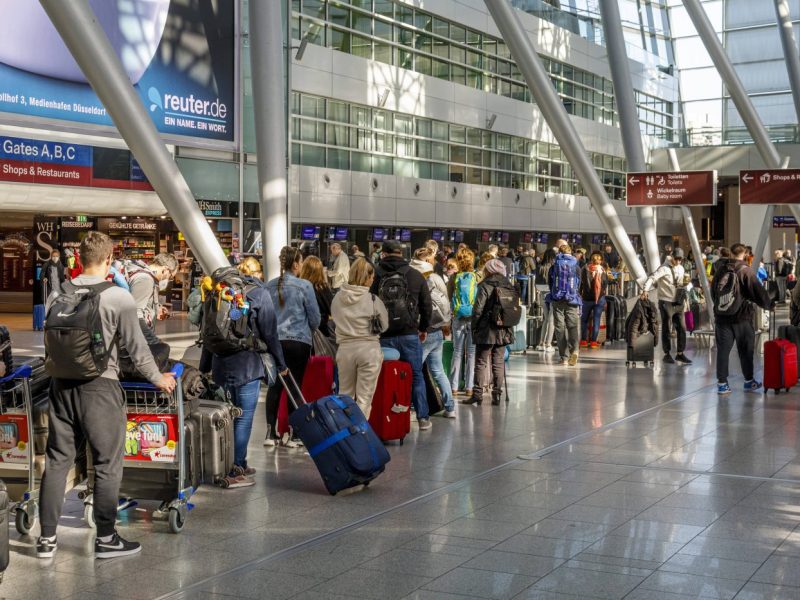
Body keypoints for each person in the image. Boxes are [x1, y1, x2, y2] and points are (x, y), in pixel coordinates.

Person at [37, 232, 176, 560]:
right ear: (109, 258)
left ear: (80, 258)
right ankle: (106, 537)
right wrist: (159, 379)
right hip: (100, 388)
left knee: (58, 461)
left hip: (60, 387)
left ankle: (46, 540)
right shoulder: (117, 297)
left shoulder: (59, 294)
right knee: (106, 463)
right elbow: (138, 349)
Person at [210, 257, 287, 487]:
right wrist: (281, 363)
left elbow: (208, 335)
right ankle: (234, 469)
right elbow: (270, 333)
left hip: (219, 364)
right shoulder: (259, 294)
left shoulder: (218, 292)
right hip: (247, 365)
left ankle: (232, 463)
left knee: (223, 417)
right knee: (242, 418)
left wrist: (205, 367)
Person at [371, 240, 433, 430]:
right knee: (415, 375)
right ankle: (422, 418)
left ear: (384, 253)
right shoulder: (415, 275)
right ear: (402, 253)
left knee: (381, 376)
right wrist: (422, 328)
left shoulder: (374, 275)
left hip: (383, 335)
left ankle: (383, 414)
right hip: (409, 334)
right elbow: (427, 306)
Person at [264, 246, 321, 446]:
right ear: (296, 264)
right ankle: (293, 434)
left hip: (275, 342)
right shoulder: (304, 286)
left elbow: (264, 316)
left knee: (275, 386)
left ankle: (270, 433)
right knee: (294, 385)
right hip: (299, 342)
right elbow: (315, 319)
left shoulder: (269, 286)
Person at [331, 259, 388, 418]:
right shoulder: (373, 300)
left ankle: (344, 434)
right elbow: (384, 326)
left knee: (345, 396)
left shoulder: (337, 299)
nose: (373, 280)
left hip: (345, 350)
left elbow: (335, 319)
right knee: (364, 399)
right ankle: (359, 434)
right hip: (369, 351)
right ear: (366, 277)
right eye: (371, 277)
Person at [713, 243, 772, 395]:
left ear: (730, 253)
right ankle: (748, 381)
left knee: (723, 351)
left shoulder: (721, 269)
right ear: (745, 254)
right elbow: (757, 292)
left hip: (722, 318)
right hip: (742, 318)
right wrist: (768, 304)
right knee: (746, 350)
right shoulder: (746, 271)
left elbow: (714, 292)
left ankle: (722, 384)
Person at [463, 259, 516, 406]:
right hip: (504, 328)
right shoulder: (508, 284)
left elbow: (478, 309)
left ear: (489, 270)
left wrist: (474, 326)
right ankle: (497, 395)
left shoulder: (485, 285)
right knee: (498, 362)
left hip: (486, 329)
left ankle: (477, 395)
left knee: (480, 362)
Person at [411, 247, 455, 418]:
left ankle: (419, 409)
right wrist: (446, 324)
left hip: (421, 331)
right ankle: (450, 408)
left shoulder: (412, 277)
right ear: (428, 261)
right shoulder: (436, 277)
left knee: (416, 372)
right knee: (438, 371)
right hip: (437, 330)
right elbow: (445, 301)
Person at [642, 248, 692, 365]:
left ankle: (680, 353)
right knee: (666, 327)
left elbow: (681, 283)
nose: (678, 261)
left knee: (682, 328)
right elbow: (652, 277)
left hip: (678, 301)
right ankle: (667, 354)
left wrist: (686, 284)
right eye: (677, 259)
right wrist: (645, 290)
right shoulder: (663, 268)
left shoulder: (681, 268)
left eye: (681, 259)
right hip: (666, 301)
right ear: (672, 256)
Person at [128, 253, 178, 345]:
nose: (169, 280)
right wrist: (152, 340)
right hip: (136, 341)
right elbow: (134, 313)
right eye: (171, 277)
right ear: (165, 270)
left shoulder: (149, 278)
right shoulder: (145, 279)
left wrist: (156, 308)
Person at [447, 248, 477, 398]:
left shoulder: (454, 278)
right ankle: (469, 387)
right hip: (473, 319)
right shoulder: (476, 277)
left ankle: (453, 387)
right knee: (471, 353)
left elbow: (449, 297)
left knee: (457, 352)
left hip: (458, 318)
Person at [548, 244, 582, 365]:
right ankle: (575, 351)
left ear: (559, 253)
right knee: (572, 327)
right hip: (572, 299)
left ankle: (564, 357)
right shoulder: (576, 266)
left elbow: (550, 283)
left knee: (559, 328)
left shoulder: (554, 266)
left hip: (557, 299)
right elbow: (579, 284)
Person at [299, 256, 334, 338]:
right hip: (320, 333)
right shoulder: (322, 288)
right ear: (320, 271)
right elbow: (332, 309)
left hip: (301, 332)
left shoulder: (298, 287)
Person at [579, 251, 608, 349]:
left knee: (584, 320)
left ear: (591, 260)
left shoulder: (585, 269)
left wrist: (580, 294)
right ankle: (593, 342)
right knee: (596, 320)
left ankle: (583, 341)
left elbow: (581, 283)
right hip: (599, 299)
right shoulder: (602, 270)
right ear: (599, 261)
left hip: (586, 299)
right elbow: (605, 284)